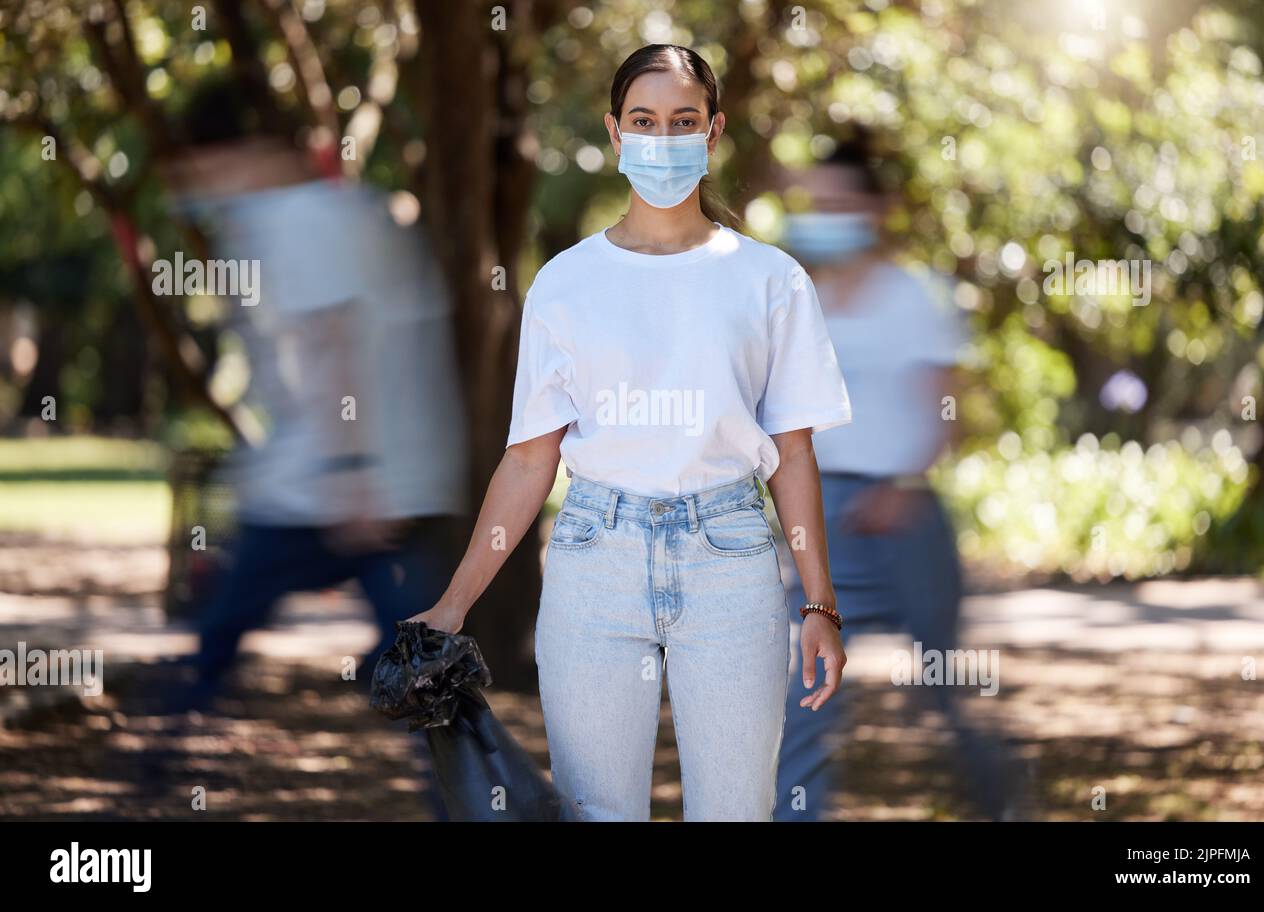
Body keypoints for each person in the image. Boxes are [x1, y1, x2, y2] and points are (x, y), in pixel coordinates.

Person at [405, 44, 852, 822]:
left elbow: (793, 454)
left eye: (684, 122)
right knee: (596, 814)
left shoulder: (770, 280)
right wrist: (453, 603)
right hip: (593, 563)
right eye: (643, 121)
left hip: (733, 561)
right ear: (614, 134)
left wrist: (820, 604)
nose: (663, 138)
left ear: (713, 134)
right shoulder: (565, 284)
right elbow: (527, 461)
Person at [160, 78, 468, 714]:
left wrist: (350, 474)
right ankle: (490, 804)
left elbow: (336, 345)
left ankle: (143, 784)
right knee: (422, 673)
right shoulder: (337, 209)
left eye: (203, 170)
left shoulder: (292, 219)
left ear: (242, 154)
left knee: (216, 643)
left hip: (330, 491)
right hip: (388, 482)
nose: (201, 190)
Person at [773, 139, 1023, 820]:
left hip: (906, 520)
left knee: (942, 690)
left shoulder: (916, 295)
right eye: (816, 204)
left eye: (840, 203)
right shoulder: (799, 298)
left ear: (877, 209)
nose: (825, 215)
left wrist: (903, 486)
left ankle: (1004, 806)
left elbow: (948, 411)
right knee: (808, 698)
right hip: (828, 524)